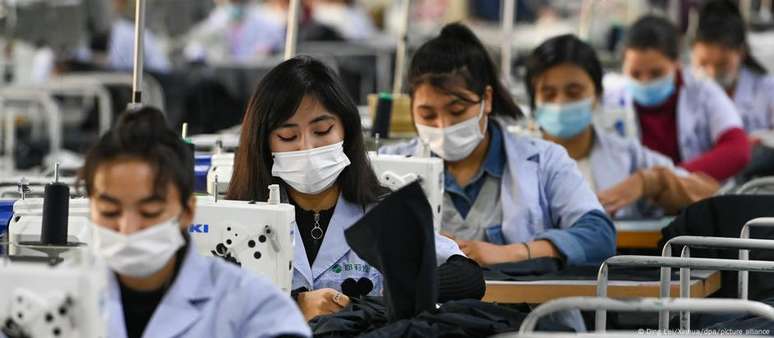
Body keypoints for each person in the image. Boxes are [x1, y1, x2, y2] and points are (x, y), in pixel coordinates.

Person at [226, 56, 485, 321]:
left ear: (345, 131)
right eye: (288, 137)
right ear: (263, 143)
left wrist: (381, 299)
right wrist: (295, 305)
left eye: (323, 130)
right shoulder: (234, 220)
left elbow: (468, 278)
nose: (308, 147)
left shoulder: (382, 211)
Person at [379, 23, 616, 267]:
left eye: (457, 111)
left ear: (487, 100)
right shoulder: (387, 166)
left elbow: (599, 236)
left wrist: (512, 253)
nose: (443, 125)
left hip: (525, 305)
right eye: (427, 115)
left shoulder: (545, 161)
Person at [80, 107, 310, 338]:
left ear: (188, 211)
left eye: (150, 211)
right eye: (109, 212)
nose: (127, 229)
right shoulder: (58, 295)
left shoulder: (254, 306)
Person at [525, 34, 719, 217]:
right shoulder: (515, 161)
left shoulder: (628, 155)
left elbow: (710, 195)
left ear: (598, 95)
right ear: (534, 101)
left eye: (574, 92)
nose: (560, 102)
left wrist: (651, 182)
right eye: (548, 94)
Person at [604, 15, 750, 182]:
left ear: (677, 63)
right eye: (635, 74)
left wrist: (668, 181)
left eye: (656, 73)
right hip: (628, 201)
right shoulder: (609, 97)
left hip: (691, 196)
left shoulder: (703, 91)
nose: (645, 82)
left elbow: (737, 150)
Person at [690, 0, 774, 135]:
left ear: (741, 53)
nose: (712, 73)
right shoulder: (682, 90)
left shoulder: (768, 90)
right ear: (692, 52)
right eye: (703, 63)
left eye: (722, 64)